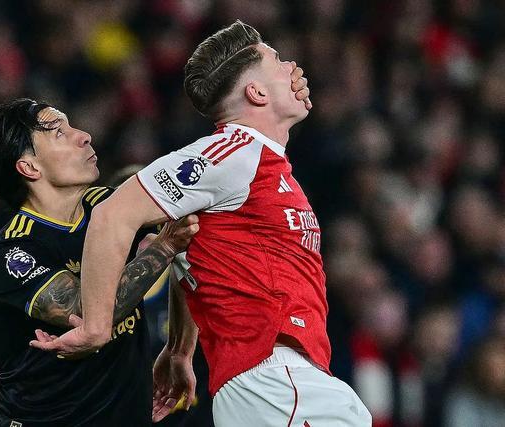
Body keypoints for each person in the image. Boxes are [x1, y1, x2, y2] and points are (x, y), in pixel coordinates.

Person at [32, 21, 368, 426]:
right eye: (278, 61)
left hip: (288, 382)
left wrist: (179, 348)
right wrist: (96, 327)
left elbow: (190, 246)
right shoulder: (233, 151)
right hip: (276, 380)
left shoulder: (262, 165)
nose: (293, 68)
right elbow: (113, 213)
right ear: (257, 93)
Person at [0, 98, 199, 426]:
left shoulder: (108, 205)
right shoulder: (14, 252)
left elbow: (193, 243)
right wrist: (165, 247)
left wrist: (179, 348)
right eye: (59, 133)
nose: (84, 135)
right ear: (30, 168)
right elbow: (89, 315)